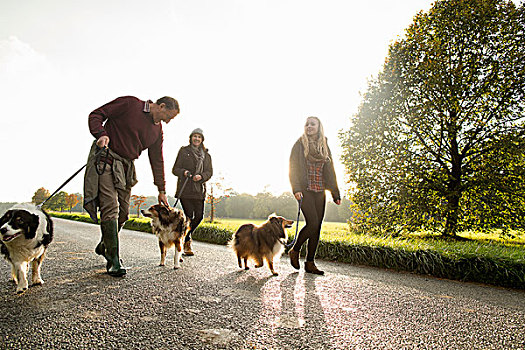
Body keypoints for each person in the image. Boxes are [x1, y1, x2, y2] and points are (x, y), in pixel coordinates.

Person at [84, 96, 180, 277]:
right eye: (168, 116)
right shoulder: (130, 104)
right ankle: (113, 260)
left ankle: (105, 245)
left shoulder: (157, 131)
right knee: (110, 207)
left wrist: (161, 189)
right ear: (161, 106)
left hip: (126, 167)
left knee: (124, 213)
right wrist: (101, 134)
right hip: (106, 158)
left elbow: (157, 159)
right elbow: (96, 114)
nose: (167, 122)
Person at [288, 116, 341, 275]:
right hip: (305, 190)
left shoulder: (324, 145)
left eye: (312, 124)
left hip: (320, 190)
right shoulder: (299, 145)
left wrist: (335, 192)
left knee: (317, 227)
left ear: (319, 127)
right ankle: (295, 250)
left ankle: (310, 263)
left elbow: (330, 170)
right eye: (307, 124)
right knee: (312, 223)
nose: (309, 126)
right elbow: (293, 168)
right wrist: (296, 188)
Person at [172, 128, 213, 256]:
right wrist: (184, 172)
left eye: (199, 137)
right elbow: (175, 169)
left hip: (199, 190)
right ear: (191, 138)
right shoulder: (184, 151)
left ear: (202, 140)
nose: (196, 139)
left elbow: (209, 172)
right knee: (189, 215)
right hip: (186, 189)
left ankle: (185, 235)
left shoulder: (206, 155)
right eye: (194, 136)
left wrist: (201, 176)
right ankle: (187, 242)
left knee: (199, 216)